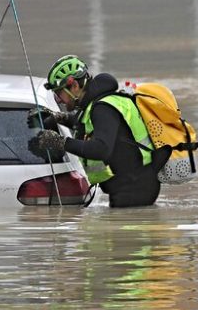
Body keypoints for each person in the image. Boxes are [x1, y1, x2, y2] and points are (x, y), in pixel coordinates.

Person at [27, 55, 160, 208]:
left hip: (134, 189)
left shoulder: (103, 108)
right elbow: (86, 124)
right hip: (134, 185)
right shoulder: (98, 103)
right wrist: (58, 118)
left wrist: (61, 142)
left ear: (74, 85)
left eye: (59, 93)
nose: (60, 100)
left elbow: (101, 149)